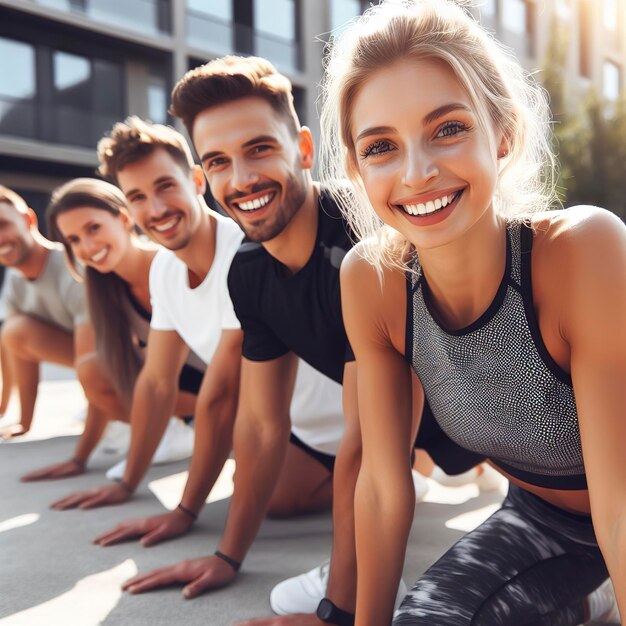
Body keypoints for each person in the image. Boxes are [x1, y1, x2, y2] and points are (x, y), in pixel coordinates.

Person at [122, 55, 487, 620]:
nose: (240, 180)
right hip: (423, 423)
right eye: (218, 161)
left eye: (259, 149)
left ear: (305, 150)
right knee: (283, 478)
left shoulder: (365, 236)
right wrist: (227, 556)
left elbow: (363, 449)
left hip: (500, 407)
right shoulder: (247, 270)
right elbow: (263, 425)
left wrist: (335, 611)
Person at [318, 1, 626, 624]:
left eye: (448, 129)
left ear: (503, 133)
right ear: (355, 168)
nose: (417, 172)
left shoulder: (582, 250)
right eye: (381, 146)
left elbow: (621, 499)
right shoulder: (373, 281)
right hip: (546, 525)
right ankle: (589, 596)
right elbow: (381, 485)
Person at [52, 118, 345, 560]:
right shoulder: (165, 270)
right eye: (138, 197)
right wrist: (129, 481)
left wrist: (186, 511)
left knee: (273, 498)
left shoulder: (242, 253)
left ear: (196, 180)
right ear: (128, 210)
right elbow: (155, 383)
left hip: (338, 420)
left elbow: (221, 394)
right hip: (287, 426)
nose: (157, 208)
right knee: (259, 489)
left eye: (166, 186)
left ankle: (405, 462)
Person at [45, 177, 203, 478]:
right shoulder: (104, 290)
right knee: (92, 367)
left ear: (124, 217)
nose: (87, 247)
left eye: (93, 228)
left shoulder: (171, 263)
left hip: (233, 385)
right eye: (74, 240)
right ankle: (174, 429)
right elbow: (105, 381)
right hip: (181, 390)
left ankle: (192, 424)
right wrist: (80, 458)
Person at [0, 184, 125, 478]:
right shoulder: (16, 280)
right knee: (13, 331)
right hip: (93, 358)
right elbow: (14, 350)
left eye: (3, 224)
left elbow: (92, 363)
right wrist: (19, 419)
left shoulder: (71, 268)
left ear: (29, 219)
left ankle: (125, 412)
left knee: (89, 369)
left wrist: (79, 459)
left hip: (126, 359)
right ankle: (106, 406)